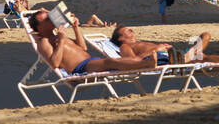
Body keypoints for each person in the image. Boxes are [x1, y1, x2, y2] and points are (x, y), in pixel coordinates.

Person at [27, 9, 157, 76]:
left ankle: (145, 61)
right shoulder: (44, 42)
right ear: (39, 27)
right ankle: (146, 62)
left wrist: (76, 28)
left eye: (51, 18)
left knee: (111, 61)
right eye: (47, 20)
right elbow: (54, 63)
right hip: (81, 68)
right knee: (110, 61)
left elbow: (83, 48)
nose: (51, 20)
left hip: (90, 62)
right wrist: (61, 40)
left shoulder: (58, 36)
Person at [110, 25, 219, 64]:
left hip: (176, 54)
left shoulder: (140, 42)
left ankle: (191, 53)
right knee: (201, 57)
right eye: (128, 30)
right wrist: (157, 49)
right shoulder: (124, 47)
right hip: (166, 58)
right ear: (121, 38)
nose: (132, 30)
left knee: (206, 36)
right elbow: (133, 61)